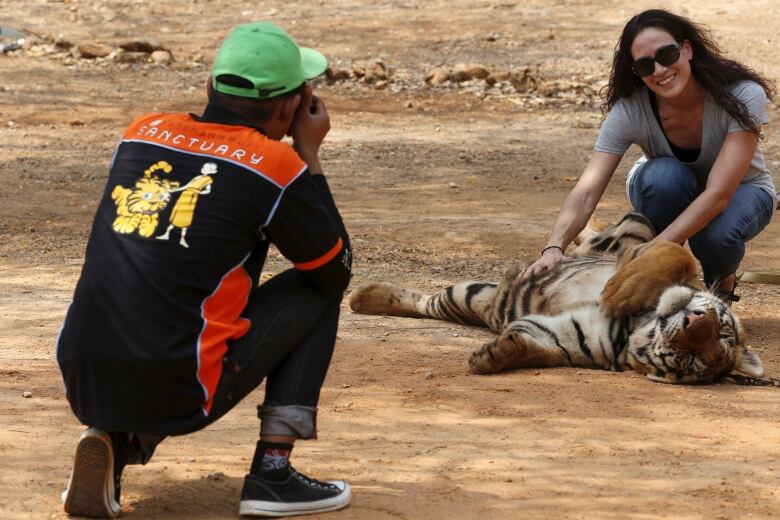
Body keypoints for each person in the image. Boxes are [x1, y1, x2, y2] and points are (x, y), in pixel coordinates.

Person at [57, 21, 353, 518]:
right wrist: (309, 154)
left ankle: (115, 442)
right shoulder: (273, 164)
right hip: (180, 383)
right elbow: (334, 269)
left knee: (159, 306)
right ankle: (273, 474)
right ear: (290, 106)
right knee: (318, 291)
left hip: (84, 373)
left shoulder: (139, 133)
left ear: (210, 86)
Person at [523, 9, 776, 301]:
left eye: (666, 55)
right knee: (664, 177)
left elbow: (718, 195)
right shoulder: (631, 110)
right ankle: (662, 282)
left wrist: (648, 254)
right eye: (645, 65)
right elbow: (587, 190)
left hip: (742, 189)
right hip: (665, 185)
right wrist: (554, 248)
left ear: (687, 50)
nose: (659, 71)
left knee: (714, 237)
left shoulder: (743, 94)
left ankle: (722, 278)